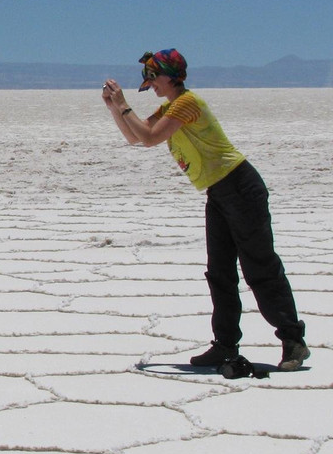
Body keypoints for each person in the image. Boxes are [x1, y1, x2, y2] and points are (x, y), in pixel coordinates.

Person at [102, 49, 308, 371]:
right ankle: (225, 345)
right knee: (220, 273)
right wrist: (115, 109)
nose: (151, 86)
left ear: (171, 77)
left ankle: (293, 341)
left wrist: (124, 104)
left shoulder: (186, 104)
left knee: (259, 268)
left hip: (240, 187)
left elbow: (151, 137)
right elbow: (136, 137)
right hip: (219, 192)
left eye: (154, 79)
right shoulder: (170, 107)